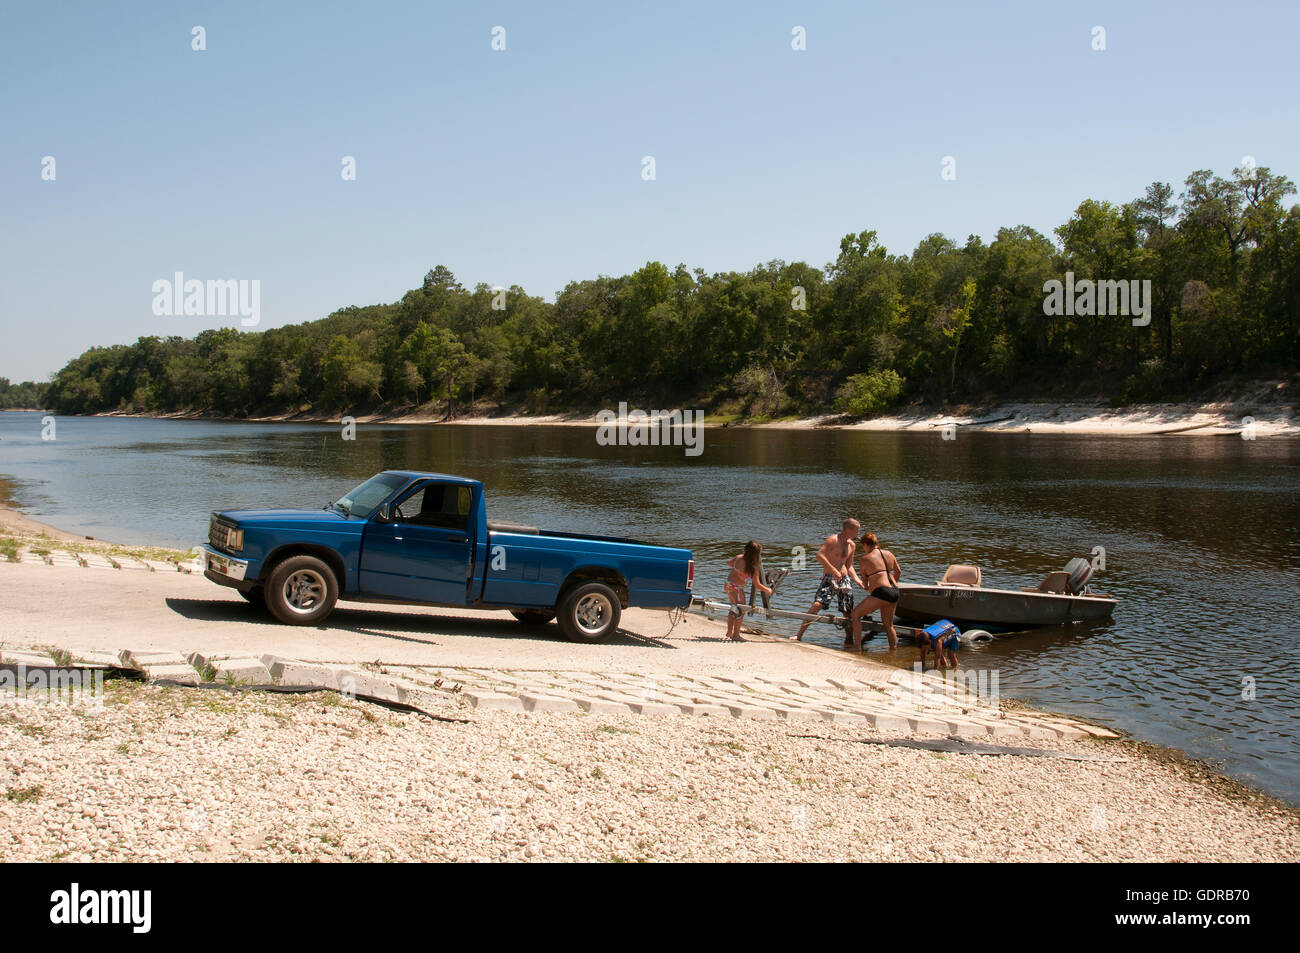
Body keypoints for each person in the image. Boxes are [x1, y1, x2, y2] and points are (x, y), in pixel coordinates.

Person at [790, 519, 863, 643]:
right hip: (830, 577)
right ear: (848, 530)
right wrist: (833, 570)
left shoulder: (852, 545)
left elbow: (849, 566)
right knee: (817, 604)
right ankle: (799, 634)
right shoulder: (833, 540)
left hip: (844, 579)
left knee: (847, 611)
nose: (859, 532)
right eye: (857, 529)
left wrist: (857, 580)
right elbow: (819, 556)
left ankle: (849, 641)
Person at [849, 533, 901, 650]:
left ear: (866, 545)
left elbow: (865, 582)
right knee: (889, 625)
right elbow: (898, 572)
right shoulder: (889, 554)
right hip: (895, 591)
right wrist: (892, 586)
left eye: (863, 546)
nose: (864, 549)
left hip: (881, 592)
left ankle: (857, 647)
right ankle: (893, 650)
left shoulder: (865, 559)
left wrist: (867, 588)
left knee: (855, 614)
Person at [723, 541, 772, 642]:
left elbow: (729, 563)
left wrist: (738, 570)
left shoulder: (738, 557)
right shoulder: (753, 567)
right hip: (737, 587)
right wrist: (767, 589)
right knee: (741, 610)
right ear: (757, 554)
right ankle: (735, 634)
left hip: (729, 584)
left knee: (734, 607)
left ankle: (730, 631)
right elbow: (757, 585)